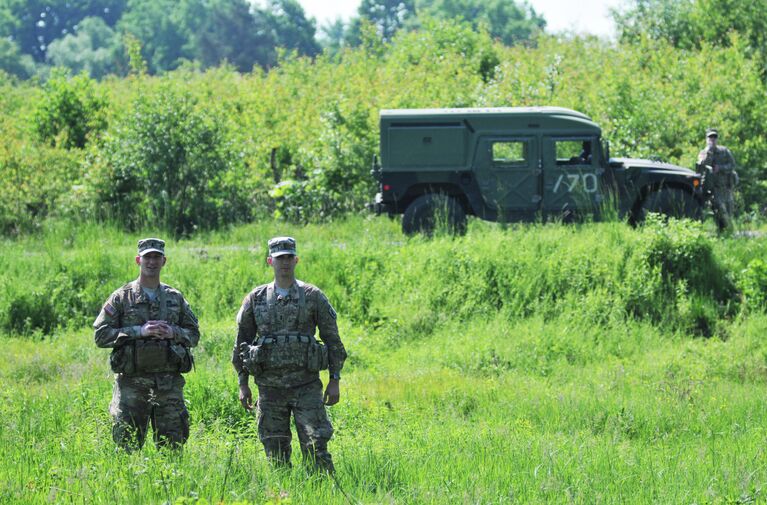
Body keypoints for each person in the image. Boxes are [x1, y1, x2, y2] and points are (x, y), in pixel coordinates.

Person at [233, 236, 347, 473]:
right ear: (269, 261)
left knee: (316, 446)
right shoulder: (256, 298)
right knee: (275, 452)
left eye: (288, 258)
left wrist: (334, 380)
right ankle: (283, 493)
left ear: (296, 260)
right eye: (279, 258)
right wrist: (243, 384)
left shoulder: (313, 296)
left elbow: (333, 341)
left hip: (306, 386)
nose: (284, 263)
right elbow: (241, 343)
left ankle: (322, 492)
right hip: (269, 388)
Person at [94, 238, 199, 451]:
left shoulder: (174, 298)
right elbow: (101, 335)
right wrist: (138, 331)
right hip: (132, 385)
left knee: (172, 448)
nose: (152, 262)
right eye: (147, 257)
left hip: (168, 386)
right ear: (138, 260)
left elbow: (194, 334)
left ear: (164, 261)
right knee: (127, 447)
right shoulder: (122, 297)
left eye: (156, 257)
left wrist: (173, 332)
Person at [697, 128, 737, 219]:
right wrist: (708, 153)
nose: (713, 139)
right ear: (706, 139)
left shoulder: (724, 151)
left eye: (714, 137)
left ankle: (728, 231)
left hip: (726, 187)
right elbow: (701, 165)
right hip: (712, 189)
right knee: (718, 210)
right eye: (710, 137)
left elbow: (732, 165)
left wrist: (721, 168)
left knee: (729, 210)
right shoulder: (703, 153)